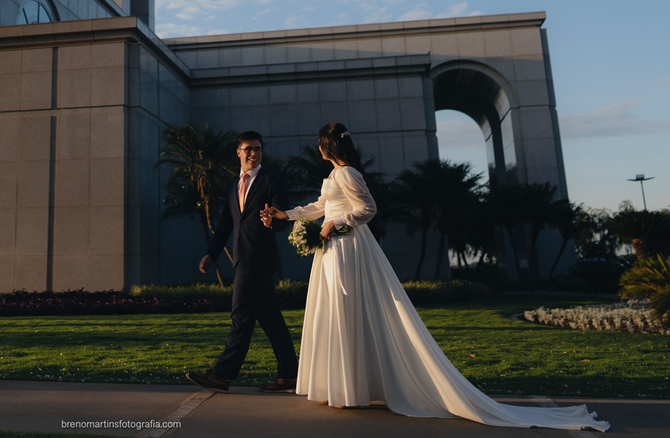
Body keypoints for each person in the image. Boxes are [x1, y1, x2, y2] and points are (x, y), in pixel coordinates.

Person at [259, 122, 610, 431]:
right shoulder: (335, 175)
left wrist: (337, 223)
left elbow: (367, 210)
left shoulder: (348, 173)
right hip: (333, 251)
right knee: (337, 314)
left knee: (350, 311)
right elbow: (321, 206)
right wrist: (285, 214)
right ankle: (345, 385)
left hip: (349, 250)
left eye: (321, 143)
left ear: (327, 147)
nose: (319, 148)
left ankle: (352, 389)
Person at [186, 131, 299, 394]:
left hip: (259, 260)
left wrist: (274, 219)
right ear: (238, 152)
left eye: (258, 149)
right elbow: (226, 223)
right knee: (271, 319)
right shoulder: (231, 185)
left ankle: (222, 374)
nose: (254, 153)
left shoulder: (273, 182)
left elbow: (283, 216)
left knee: (241, 317)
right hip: (242, 259)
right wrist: (212, 253)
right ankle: (290, 375)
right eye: (248, 149)